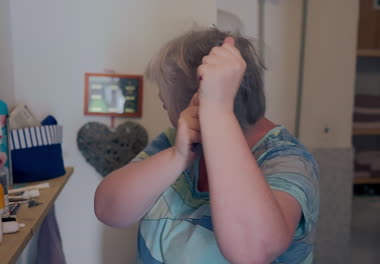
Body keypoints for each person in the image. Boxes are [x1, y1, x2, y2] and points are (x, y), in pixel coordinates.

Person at [94, 28, 319, 264]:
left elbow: (254, 250)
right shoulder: (174, 141)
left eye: (164, 100)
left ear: (197, 101)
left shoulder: (288, 160)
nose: (163, 103)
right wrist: (176, 157)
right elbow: (108, 209)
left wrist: (217, 110)